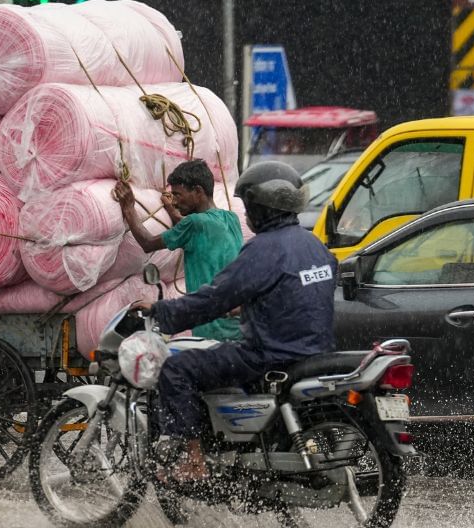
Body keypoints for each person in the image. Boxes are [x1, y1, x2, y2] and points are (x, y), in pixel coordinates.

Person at [133, 161, 336, 482]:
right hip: (314, 350)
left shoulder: (263, 249)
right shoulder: (313, 245)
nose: (245, 214)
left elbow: (214, 297)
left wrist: (162, 312)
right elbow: (295, 294)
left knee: (176, 369)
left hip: (269, 352)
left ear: (261, 208)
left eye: (248, 206)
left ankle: (193, 460)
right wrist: (250, 308)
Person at [112, 159, 243, 341]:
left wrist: (129, 208)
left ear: (198, 191)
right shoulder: (230, 219)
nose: (176, 201)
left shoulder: (194, 223)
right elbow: (192, 227)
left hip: (211, 329)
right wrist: (171, 210)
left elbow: (147, 242)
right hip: (235, 327)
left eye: (179, 195)